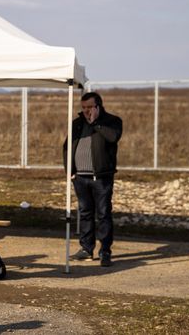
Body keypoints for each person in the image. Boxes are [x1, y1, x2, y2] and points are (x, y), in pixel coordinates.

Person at [64, 92, 122, 267]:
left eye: (90, 107)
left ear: (98, 106)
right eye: (84, 107)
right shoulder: (77, 123)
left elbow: (113, 137)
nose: (86, 111)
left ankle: (105, 251)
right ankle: (86, 249)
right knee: (85, 213)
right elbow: (67, 146)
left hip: (101, 178)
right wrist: (69, 170)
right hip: (80, 177)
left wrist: (96, 123)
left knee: (103, 214)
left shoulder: (112, 121)